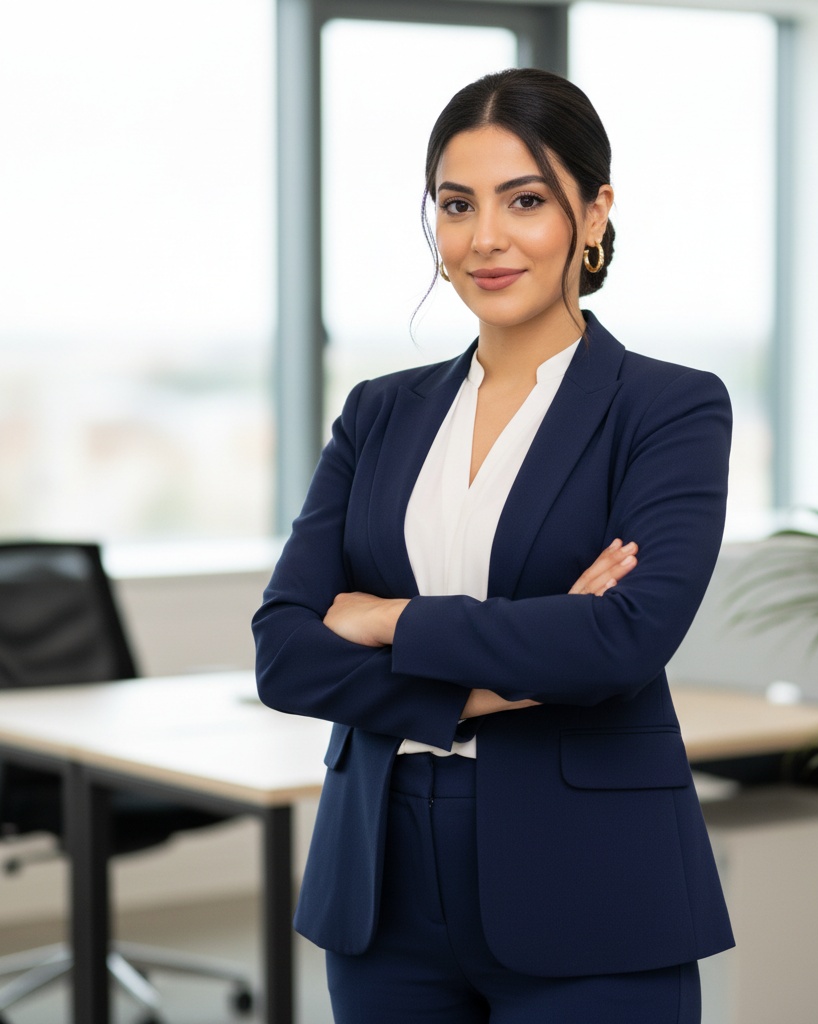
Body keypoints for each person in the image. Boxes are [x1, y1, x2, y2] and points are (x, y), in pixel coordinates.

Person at [253, 67, 734, 1024]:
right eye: (456, 204)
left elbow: (621, 643)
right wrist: (513, 670)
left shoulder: (669, 409)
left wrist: (387, 619)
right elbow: (286, 654)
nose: (486, 239)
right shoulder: (378, 413)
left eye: (526, 200)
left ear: (593, 213)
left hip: (588, 880)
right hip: (381, 878)